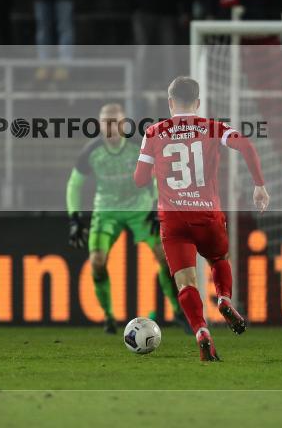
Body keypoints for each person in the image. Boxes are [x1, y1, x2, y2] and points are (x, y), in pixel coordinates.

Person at [134, 77, 270, 362]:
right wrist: (259, 185)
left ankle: (201, 331)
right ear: (197, 102)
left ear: (170, 103)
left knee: (186, 284)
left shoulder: (153, 132)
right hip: (207, 214)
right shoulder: (212, 127)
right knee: (220, 259)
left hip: (173, 220)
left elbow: (139, 180)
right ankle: (223, 299)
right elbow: (245, 145)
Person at [67, 103, 190, 334]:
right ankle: (109, 316)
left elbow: (158, 175)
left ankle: (178, 311)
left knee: (164, 258)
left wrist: (157, 206)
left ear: (123, 124)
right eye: (105, 123)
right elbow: (74, 185)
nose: (110, 127)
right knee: (97, 262)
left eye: (115, 122)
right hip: (106, 210)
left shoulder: (139, 146)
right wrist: (74, 218)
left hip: (140, 208)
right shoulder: (90, 151)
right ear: (100, 125)